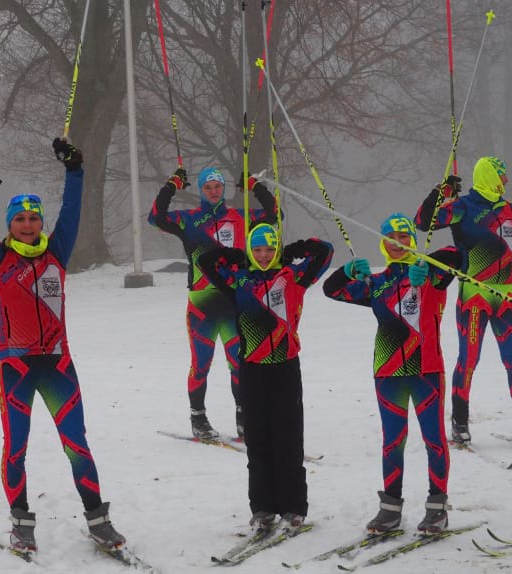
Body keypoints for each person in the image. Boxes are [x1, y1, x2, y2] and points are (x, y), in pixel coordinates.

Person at [0, 139, 125, 554]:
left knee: (76, 444)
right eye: (21, 219)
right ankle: (20, 521)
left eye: (34, 218)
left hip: (58, 365)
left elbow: (73, 210)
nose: (29, 225)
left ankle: (98, 519)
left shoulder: (56, 252)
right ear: (11, 224)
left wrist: (74, 169)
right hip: (15, 366)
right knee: (16, 448)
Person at [323, 214, 461, 534]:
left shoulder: (432, 276)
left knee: (434, 440)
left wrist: (426, 264)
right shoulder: (377, 283)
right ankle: (390, 509)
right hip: (388, 373)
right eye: (390, 238)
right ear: (382, 242)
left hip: (426, 370)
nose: (397, 243)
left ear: (411, 240)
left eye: (403, 237)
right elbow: (331, 290)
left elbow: (458, 255)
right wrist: (345, 272)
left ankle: (437, 508)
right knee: (393, 442)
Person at [198, 223, 332, 531]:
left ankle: (294, 507)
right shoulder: (238, 280)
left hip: (285, 367)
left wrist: (295, 248)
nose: (262, 255)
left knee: (288, 439)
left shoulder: (292, 278)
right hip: (252, 369)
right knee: (258, 440)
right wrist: (229, 254)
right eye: (257, 249)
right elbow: (206, 263)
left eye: (269, 249)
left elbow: (324, 252)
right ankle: (262, 507)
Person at [148, 168, 279, 440]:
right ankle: (198, 418)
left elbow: (274, 214)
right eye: (207, 187)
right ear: (200, 190)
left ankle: (244, 418)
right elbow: (156, 217)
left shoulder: (239, 217)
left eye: (217, 186)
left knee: (239, 363)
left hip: (233, 302)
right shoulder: (190, 220)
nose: (213, 191)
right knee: (201, 365)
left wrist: (254, 184)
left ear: (223, 188)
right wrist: (171, 185)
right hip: (202, 305)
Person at [414, 157, 511, 445]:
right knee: (469, 359)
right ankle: (459, 421)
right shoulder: (463, 206)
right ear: (490, 177)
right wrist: (439, 193)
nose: (505, 182)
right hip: (475, 297)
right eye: (502, 176)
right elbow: (422, 222)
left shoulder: (506, 210)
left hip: (506, 297)